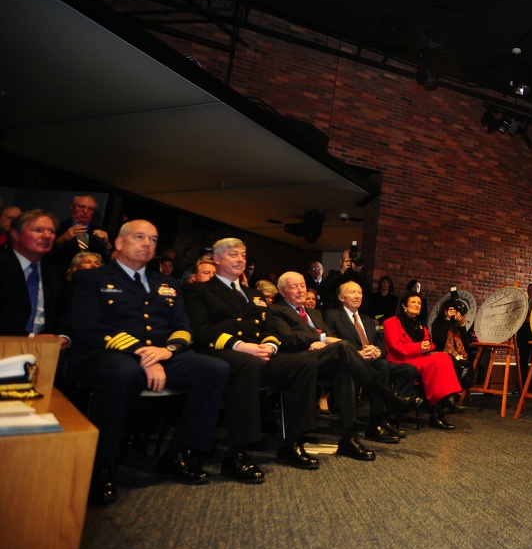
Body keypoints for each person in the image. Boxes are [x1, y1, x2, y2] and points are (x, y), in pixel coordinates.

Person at [65, 220, 230, 506]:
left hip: (161, 355)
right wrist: (143, 352)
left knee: (215, 369)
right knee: (124, 373)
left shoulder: (165, 283)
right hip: (106, 355)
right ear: (119, 243)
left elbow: (182, 327)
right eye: (139, 237)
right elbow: (87, 328)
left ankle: (180, 454)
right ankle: (100, 466)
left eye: (153, 240)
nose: (147, 244)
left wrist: (167, 350)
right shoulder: (91, 279)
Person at [182, 238, 324, 482]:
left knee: (304, 364)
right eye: (233, 254)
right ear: (216, 259)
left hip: (258, 353)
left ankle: (291, 442)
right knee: (249, 364)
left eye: (243, 255)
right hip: (219, 353)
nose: (240, 259)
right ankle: (237, 453)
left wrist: (269, 345)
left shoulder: (254, 294)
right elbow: (201, 330)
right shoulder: (199, 290)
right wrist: (241, 346)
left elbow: (270, 327)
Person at [268, 272, 418, 460]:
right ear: (282, 291)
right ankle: (388, 395)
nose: (300, 290)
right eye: (294, 287)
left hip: (322, 358)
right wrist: (319, 338)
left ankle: (349, 438)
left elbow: (330, 336)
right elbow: (288, 338)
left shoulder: (314, 313)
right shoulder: (276, 310)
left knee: (345, 368)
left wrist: (325, 341)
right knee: (344, 346)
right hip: (298, 359)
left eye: (303, 286)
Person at [324, 280, 420, 439]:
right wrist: (358, 353)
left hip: (372, 360)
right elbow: (332, 342)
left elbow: (380, 344)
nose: (358, 296)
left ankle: (388, 413)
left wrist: (375, 350)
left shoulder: (368, 320)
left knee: (408, 370)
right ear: (341, 297)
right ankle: (376, 423)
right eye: (353, 292)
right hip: (349, 362)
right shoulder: (332, 315)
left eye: (360, 292)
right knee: (382, 367)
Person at [383, 292, 462, 430]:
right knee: (435, 364)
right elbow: (395, 347)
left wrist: (426, 346)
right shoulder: (390, 322)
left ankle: (447, 399)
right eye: (413, 302)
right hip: (401, 360)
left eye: (419, 303)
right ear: (404, 306)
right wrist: (419, 347)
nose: (417, 305)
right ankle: (440, 409)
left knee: (444, 357)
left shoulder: (421, 325)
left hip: (419, 358)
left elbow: (430, 343)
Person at [0, 209, 70, 348]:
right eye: (38, 230)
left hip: (47, 350)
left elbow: (64, 314)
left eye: (51, 232)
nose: (46, 236)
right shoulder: (2, 265)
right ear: (15, 235)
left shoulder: (54, 273)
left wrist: (63, 337)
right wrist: (31, 338)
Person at [50, 194, 112, 271]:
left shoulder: (102, 233)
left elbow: (110, 261)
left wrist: (107, 245)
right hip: (61, 274)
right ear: (72, 207)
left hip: (92, 278)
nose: (85, 211)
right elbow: (47, 255)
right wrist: (61, 240)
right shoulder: (57, 227)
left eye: (90, 209)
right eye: (81, 207)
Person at [431, 297, 475, 399]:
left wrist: (463, 325)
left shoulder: (457, 325)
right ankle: (450, 395)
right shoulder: (439, 322)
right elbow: (440, 341)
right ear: (446, 310)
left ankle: (453, 393)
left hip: (459, 356)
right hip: (443, 355)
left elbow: (467, 345)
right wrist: (447, 319)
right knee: (453, 363)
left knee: (470, 360)